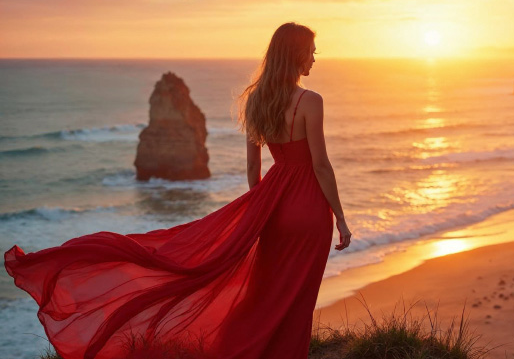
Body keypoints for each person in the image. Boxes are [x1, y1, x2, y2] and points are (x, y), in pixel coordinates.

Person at [4, 22, 351, 359]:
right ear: (295, 54)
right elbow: (320, 165)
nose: (314, 60)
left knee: (267, 290)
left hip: (273, 207)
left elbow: (252, 169)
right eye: (311, 53)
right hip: (307, 210)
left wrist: (260, 212)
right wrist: (340, 217)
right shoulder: (310, 101)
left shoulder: (256, 100)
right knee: (298, 292)